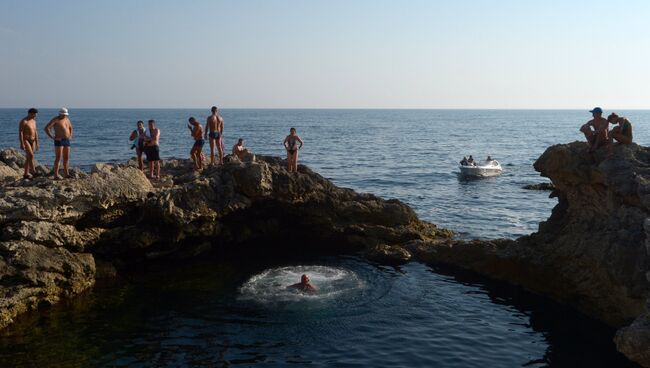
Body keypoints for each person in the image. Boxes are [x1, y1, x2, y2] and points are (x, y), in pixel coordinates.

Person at [43, 108, 73, 179]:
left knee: (66, 158)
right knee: (58, 158)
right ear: (60, 114)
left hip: (66, 140)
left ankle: (66, 174)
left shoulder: (67, 119)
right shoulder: (56, 119)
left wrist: (70, 135)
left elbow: (70, 127)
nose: (64, 116)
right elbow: (46, 128)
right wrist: (52, 137)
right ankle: (56, 175)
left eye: (65, 115)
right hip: (59, 140)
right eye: (63, 114)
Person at [18, 108, 39, 179]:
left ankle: (25, 174)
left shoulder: (34, 121)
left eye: (36, 115)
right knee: (31, 155)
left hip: (33, 141)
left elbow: (35, 132)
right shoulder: (24, 121)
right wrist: (21, 143)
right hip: (26, 140)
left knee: (28, 157)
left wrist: (37, 142)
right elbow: (20, 132)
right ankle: (33, 171)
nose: (35, 116)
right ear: (30, 113)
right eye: (34, 114)